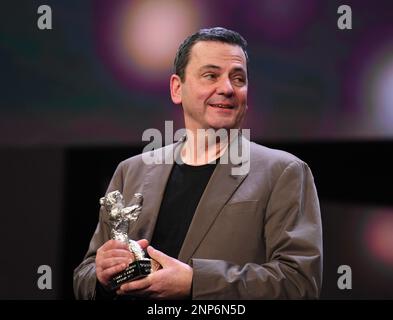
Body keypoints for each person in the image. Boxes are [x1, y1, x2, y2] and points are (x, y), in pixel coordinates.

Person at [73, 27, 323, 300]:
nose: (227, 88)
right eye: (211, 76)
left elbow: (299, 283)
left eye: (238, 79)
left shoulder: (283, 172)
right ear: (177, 88)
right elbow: (83, 277)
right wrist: (100, 275)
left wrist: (196, 284)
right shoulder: (130, 171)